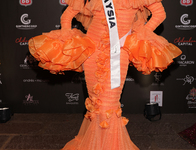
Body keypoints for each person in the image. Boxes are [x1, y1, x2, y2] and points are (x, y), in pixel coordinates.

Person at [28, 0, 182, 149]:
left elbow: (159, 14)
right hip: (92, 53)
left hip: (119, 52)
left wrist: (140, 35)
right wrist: (67, 38)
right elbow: (67, 16)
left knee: (109, 105)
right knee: (96, 104)